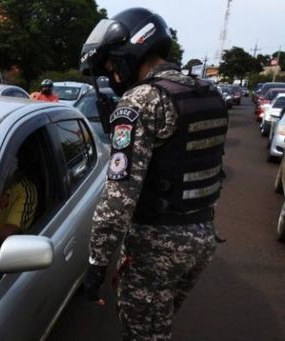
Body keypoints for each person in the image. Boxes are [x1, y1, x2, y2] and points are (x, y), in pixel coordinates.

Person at [79, 7, 228, 340]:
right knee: (158, 326)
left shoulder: (141, 102)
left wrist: (96, 265)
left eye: (111, 66)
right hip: (201, 236)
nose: (113, 76)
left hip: (157, 247)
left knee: (143, 333)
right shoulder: (207, 92)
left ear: (130, 53)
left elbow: (118, 199)